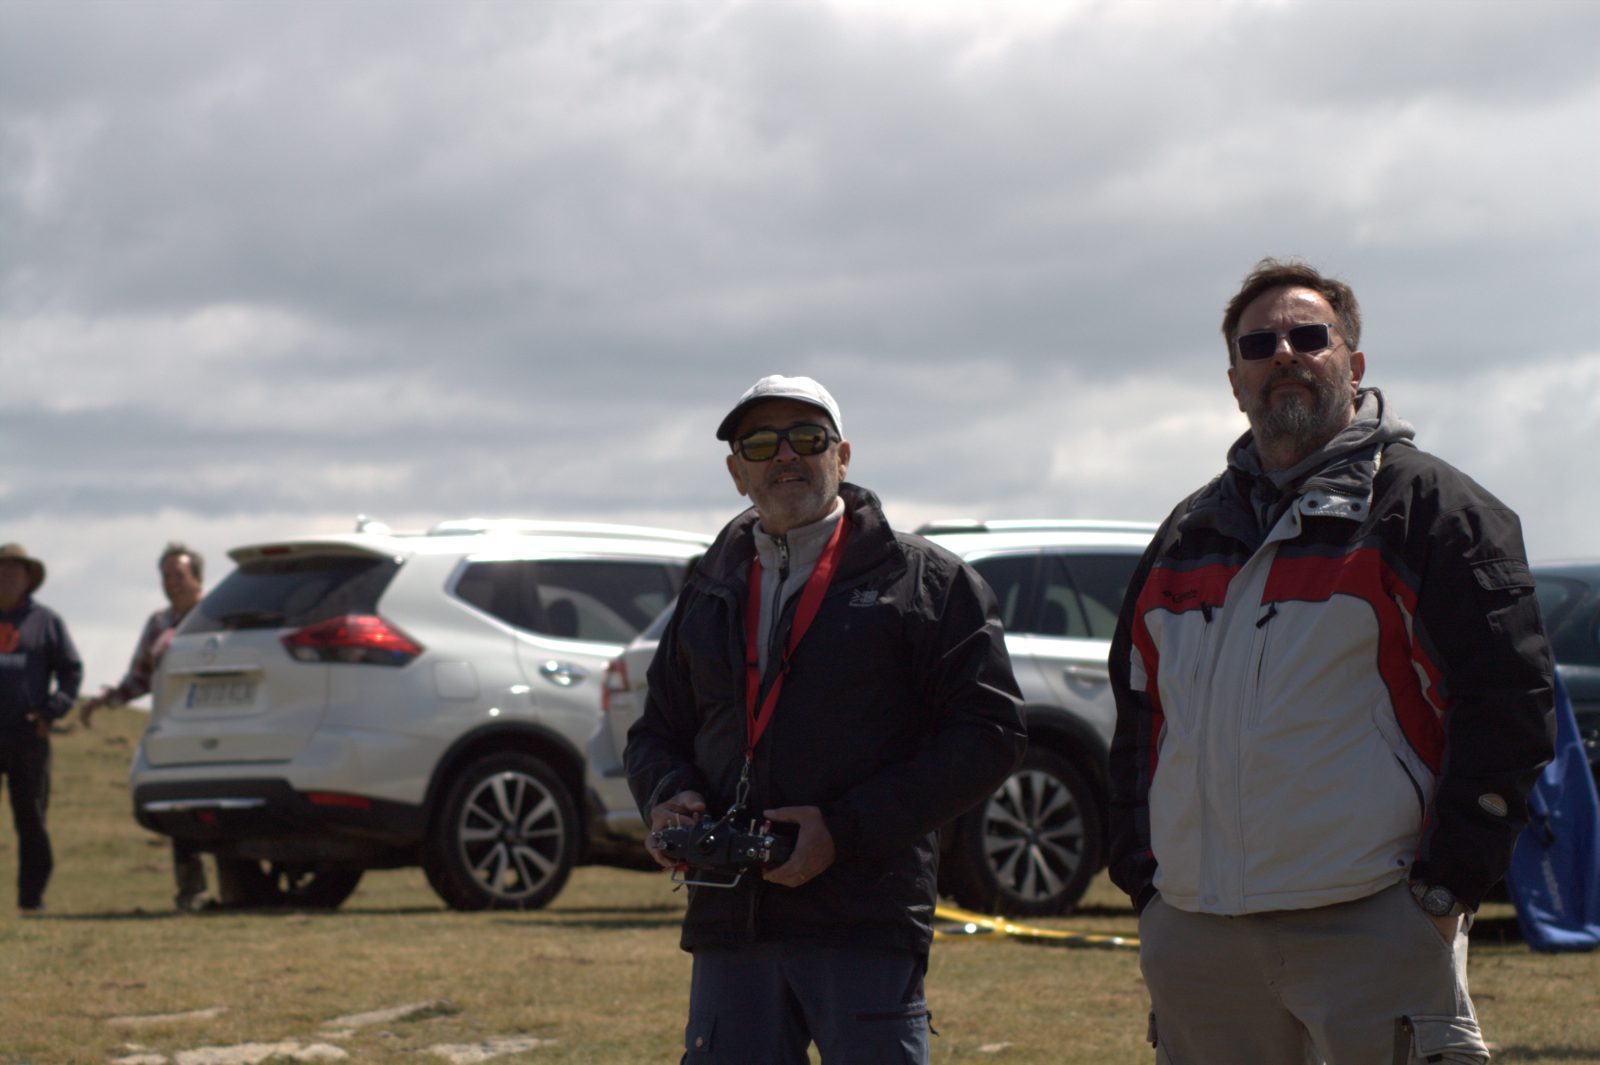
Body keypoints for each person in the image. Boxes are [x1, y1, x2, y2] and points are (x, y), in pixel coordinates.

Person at [1108, 259, 1556, 1064]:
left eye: (1309, 336)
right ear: (1235, 381)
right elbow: (1139, 722)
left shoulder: (1432, 511)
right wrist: (1149, 887)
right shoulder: (1185, 533)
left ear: (1353, 364)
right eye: (1259, 344)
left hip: (1374, 920)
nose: (1284, 352)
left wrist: (1444, 889)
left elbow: (1508, 709)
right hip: (1200, 938)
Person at [625, 374, 1027, 1064]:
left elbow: (991, 734)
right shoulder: (710, 586)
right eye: (761, 443)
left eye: (807, 438)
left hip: (862, 917)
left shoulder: (926, 582)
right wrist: (668, 796)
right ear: (736, 472)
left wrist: (842, 830)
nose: (785, 455)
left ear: (842, 456)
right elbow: (656, 731)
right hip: (732, 919)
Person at [80, 542, 214, 910]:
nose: (172, 583)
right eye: (166, 576)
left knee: (224, 805)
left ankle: (241, 888)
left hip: (219, 727)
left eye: (179, 575)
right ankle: (192, 891)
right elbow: (139, 678)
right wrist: (105, 700)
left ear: (198, 578)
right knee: (180, 809)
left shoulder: (219, 618)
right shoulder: (158, 624)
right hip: (174, 730)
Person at [0, 543, 84, 912]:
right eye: (1, 569)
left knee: (31, 818)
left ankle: (31, 899)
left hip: (28, 737)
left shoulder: (46, 621)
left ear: (28, 578)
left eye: (14, 570)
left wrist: (51, 712)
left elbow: (71, 672)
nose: (6, 576)